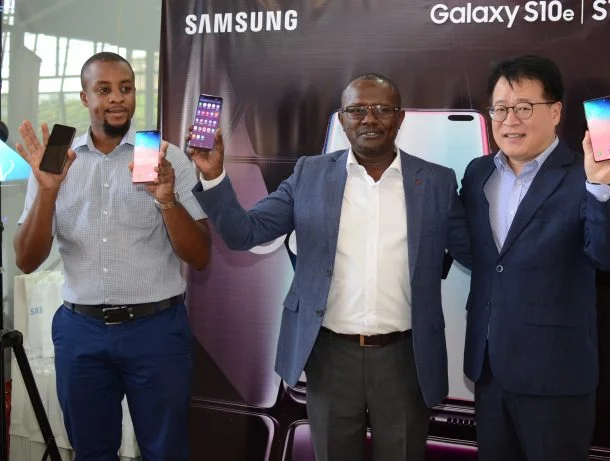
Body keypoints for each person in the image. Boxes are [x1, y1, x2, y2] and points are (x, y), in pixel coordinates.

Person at [188, 73, 470, 461]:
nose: (369, 118)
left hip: (407, 359)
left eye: (382, 109)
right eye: (357, 110)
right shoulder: (310, 174)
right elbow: (244, 233)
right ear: (341, 119)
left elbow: (475, 253)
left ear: (400, 116)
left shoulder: (436, 181)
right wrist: (213, 175)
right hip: (330, 355)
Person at [13, 52, 211, 461]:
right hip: (81, 332)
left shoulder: (162, 156)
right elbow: (26, 260)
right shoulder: (57, 157)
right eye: (104, 89)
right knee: (91, 451)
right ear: (84, 97)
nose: (117, 98)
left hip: (156, 331)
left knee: (166, 451)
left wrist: (166, 199)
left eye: (126, 88)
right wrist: (48, 192)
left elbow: (200, 255)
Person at [460, 54, 610, 460]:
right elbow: (485, 257)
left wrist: (601, 186)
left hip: (556, 376)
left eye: (524, 108)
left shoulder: (584, 174)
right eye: (500, 109)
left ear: (556, 112)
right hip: (489, 371)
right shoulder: (477, 173)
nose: (509, 121)